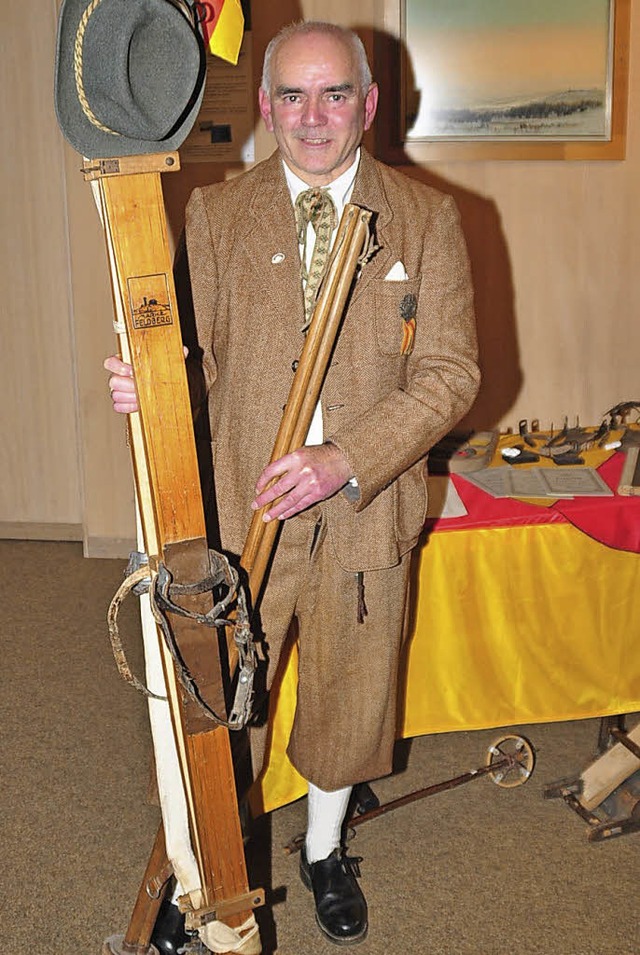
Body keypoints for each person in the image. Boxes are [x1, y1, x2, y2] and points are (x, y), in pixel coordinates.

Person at [105, 20, 480, 946]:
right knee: (221, 698)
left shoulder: (426, 218)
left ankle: (321, 849)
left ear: (370, 105)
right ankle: (210, 871)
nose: (313, 117)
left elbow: (450, 373)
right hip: (243, 515)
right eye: (293, 96)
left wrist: (343, 457)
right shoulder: (218, 214)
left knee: (349, 700)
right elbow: (199, 356)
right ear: (267, 106)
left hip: (365, 509)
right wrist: (151, 379)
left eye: (335, 94)